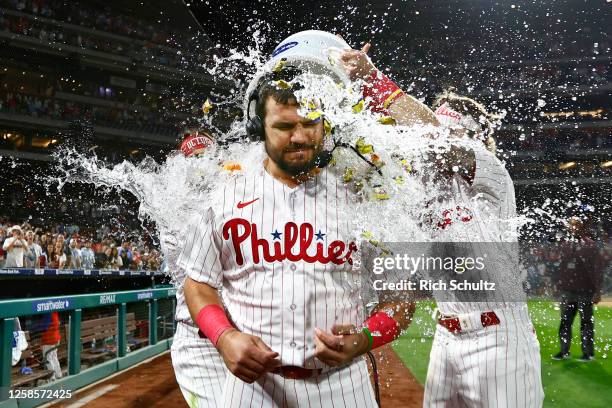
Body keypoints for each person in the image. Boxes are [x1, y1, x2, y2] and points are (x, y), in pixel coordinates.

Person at [180, 30, 416, 408]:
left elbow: (401, 299)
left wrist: (365, 338)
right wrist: (224, 337)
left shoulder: (365, 196)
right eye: (285, 127)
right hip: (253, 387)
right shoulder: (225, 194)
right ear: (260, 128)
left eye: (311, 123)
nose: (300, 137)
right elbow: (198, 284)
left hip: (342, 385)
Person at [552, 217, 603, 362]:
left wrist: (597, 291)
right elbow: (561, 268)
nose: (574, 228)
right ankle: (564, 350)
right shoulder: (565, 245)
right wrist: (558, 287)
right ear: (569, 227)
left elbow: (597, 269)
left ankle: (588, 353)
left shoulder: (591, 245)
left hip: (585, 291)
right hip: (568, 291)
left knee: (586, 322)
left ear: (582, 227)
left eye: (577, 225)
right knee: (565, 321)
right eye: (572, 225)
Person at [39, 312, 62, 381]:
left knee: (48, 358)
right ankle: (58, 374)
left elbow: (44, 326)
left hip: (49, 339)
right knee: (54, 356)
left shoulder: (48, 312)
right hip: (56, 337)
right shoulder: (55, 312)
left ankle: (52, 377)